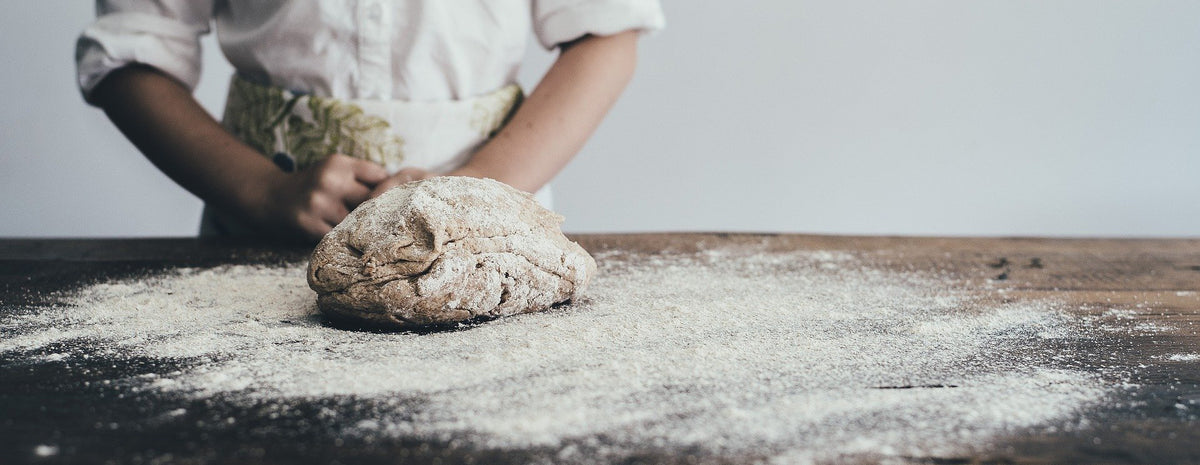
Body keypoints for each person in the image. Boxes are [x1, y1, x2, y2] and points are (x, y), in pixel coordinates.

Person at [77, 1, 664, 241]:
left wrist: (476, 193)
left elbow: (605, 32)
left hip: (487, 228)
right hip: (266, 228)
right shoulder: (261, 199)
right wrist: (259, 191)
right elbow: (131, 50)